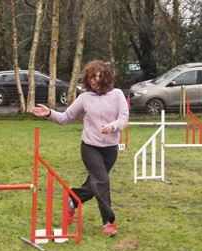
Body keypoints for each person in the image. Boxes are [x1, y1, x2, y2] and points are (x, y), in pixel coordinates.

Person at [31, 60, 129, 237]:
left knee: (96, 182)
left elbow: (124, 118)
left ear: (106, 77)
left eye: (98, 76)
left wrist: (113, 126)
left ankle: (73, 199)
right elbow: (66, 117)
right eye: (91, 77)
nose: (94, 80)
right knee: (102, 181)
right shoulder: (84, 98)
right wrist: (49, 113)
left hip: (110, 148)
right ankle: (108, 222)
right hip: (90, 147)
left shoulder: (117, 95)